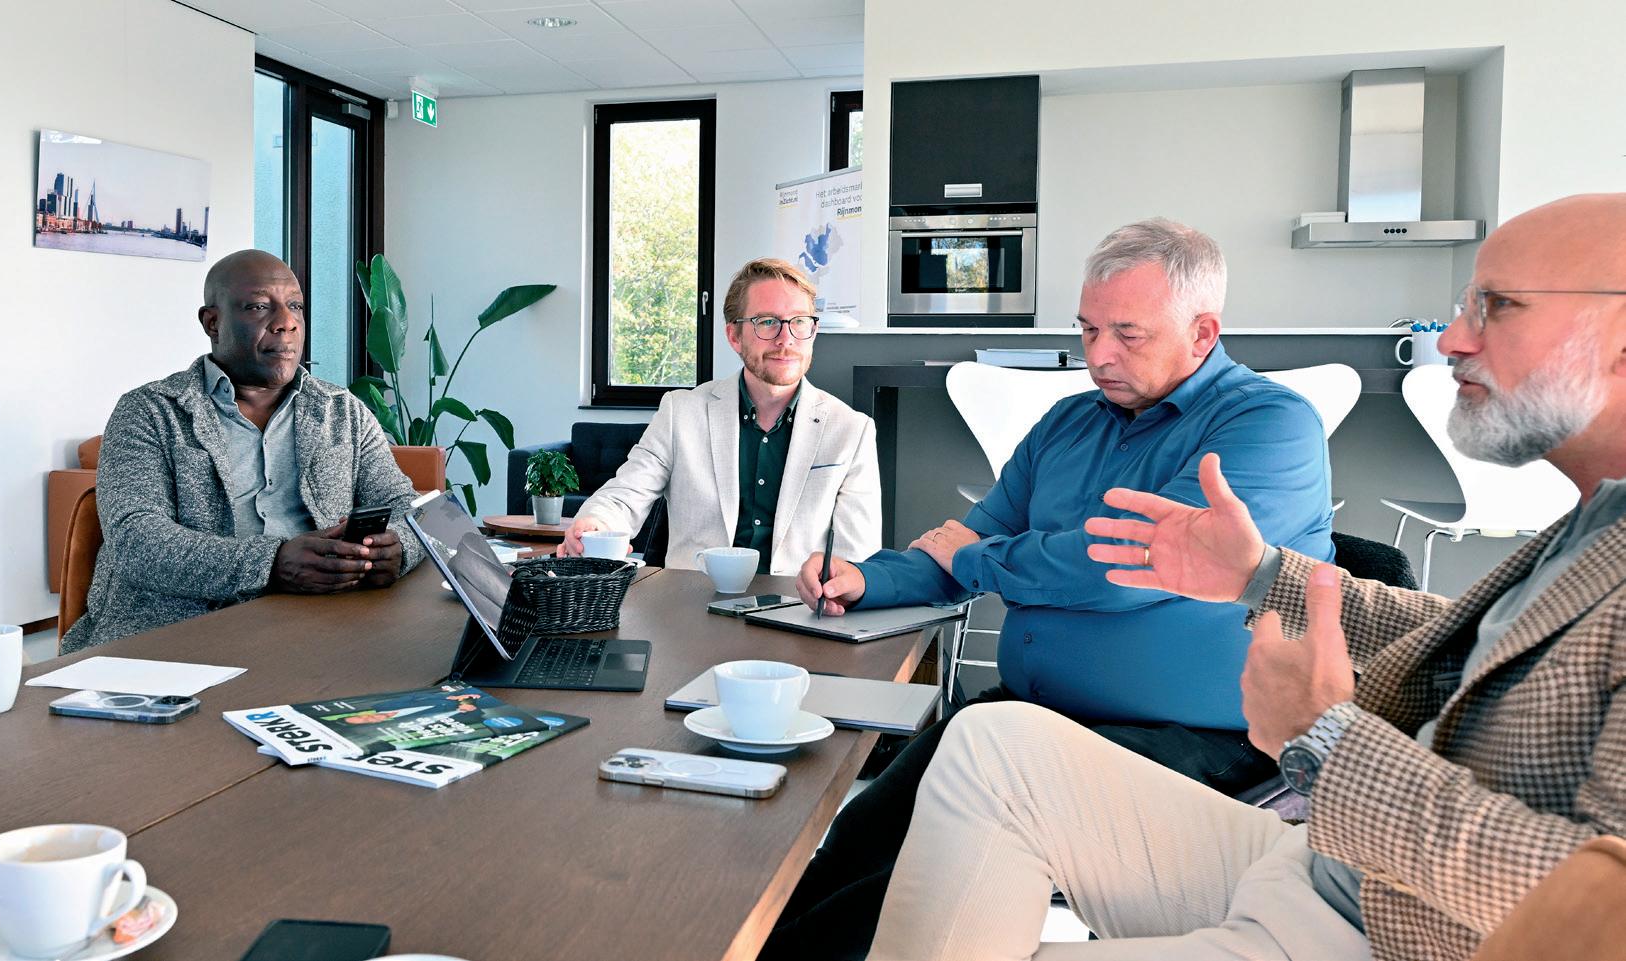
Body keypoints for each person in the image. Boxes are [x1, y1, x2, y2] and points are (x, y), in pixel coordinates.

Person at [870, 192, 1626, 960]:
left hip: (1386, 927)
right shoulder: (1595, 523)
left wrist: (1328, 737)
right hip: (1327, 868)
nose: (1454, 339)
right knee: (984, 747)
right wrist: (1261, 574)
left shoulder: (1263, 418)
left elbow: (1598, 908)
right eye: (1466, 305)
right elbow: (1469, 648)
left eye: (1497, 306)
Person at [763, 219, 1334, 959]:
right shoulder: (1068, 422)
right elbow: (966, 541)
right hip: (1030, 714)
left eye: (1127, 334)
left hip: (1197, 737)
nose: (1098, 355)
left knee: (912, 874)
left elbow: (1120, 568)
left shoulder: (1270, 424)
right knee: (859, 837)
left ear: (1202, 333)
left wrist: (977, 559)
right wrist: (866, 577)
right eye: (1088, 329)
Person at [62, 249, 425, 652]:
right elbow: (137, 541)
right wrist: (273, 563)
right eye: (258, 307)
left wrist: (399, 547)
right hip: (177, 637)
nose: (286, 323)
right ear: (212, 323)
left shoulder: (343, 412)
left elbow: (412, 509)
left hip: (324, 626)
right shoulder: (149, 411)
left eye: (295, 306)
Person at [559, 258, 881, 575]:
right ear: (734, 336)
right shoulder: (680, 413)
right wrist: (594, 523)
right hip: (692, 603)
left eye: (799, 322)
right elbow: (624, 497)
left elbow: (857, 560)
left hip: (797, 605)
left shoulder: (852, 430)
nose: (786, 339)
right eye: (767, 322)